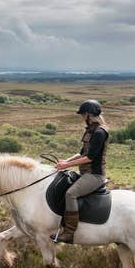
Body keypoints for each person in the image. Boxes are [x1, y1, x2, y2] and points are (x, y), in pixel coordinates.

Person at [53, 99, 109, 243]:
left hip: (94, 175)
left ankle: (69, 233)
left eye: (83, 115)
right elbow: (81, 153)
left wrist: (67, 165)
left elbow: (89, 158)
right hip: (85, 173)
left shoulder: (100, 133)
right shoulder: (90, 131)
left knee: (70, 194)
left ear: (89, 115)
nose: (82, 118)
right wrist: (66, 161)